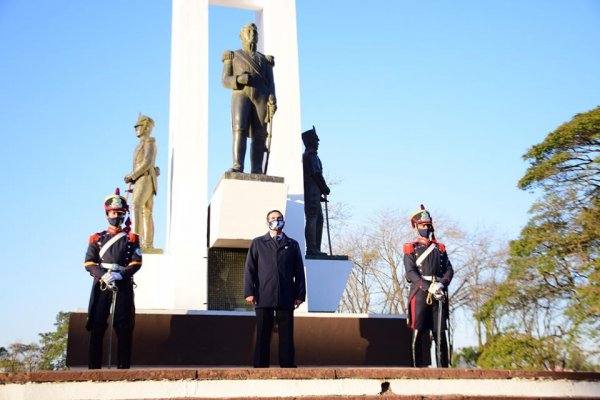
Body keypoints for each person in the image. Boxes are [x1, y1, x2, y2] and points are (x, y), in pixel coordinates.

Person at [83, 189, 142, 369]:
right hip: (102, 283)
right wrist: (103, 275)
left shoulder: (132, 238)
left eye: (119, 213)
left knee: (123, 325)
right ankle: (94, 368)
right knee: (97, 324)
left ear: (124, 215)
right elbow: (89, 262)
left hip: (122, 283)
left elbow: (136, 262)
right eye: (113, 212)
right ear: (107, 214)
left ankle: (123, 367)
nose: (116, 216)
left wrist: (120, 274)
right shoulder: (97, 238)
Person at [243, 210, 306, 368]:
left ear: (283, 221)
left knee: (286, 334)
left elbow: (299, 271)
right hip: (263, 295)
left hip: (286, 295)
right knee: (263, 333)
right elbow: (249, 268)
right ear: (267, 222)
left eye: (279, 218)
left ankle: (287, 364)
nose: (276, 221)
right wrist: (249, 292)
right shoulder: (257, 243)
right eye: (272, 219)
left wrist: (299, 295)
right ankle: (260, 365)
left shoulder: (292, 244)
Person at [221, 22, 277, 174]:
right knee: (239, 129)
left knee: (260, 135)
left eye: (255, 32)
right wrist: (238, 80)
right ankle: (238, 165)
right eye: (249, 31)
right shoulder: (233, 56)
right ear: (241, 36)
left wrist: (273, 98)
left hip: (261, 97)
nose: (253, 34)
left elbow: (271, 83)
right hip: (241, 95)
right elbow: (225, 80)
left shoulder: (265, 60)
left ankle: (257, 169)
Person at [403, 205, 453, 368]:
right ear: (416, 227)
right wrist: (428, 286)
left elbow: (449, 270)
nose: (425, 228)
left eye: (427, 225)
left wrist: (441, 284)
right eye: (422, 225)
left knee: (440, 334)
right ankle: (416, 370)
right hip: (420, 293)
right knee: (418, 333)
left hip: (439, 292)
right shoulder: (411, 249)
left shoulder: (440, 248)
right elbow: (411, 272)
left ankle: (444, 371)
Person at [124, 114, 158, 251]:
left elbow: (147, 161)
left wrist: (133, 175)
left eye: (139, 126)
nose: (137, 128)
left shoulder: (149, 142)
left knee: (136, 206)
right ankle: (146, 244)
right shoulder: (141, 144)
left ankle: (137, 242)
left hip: (145, 178)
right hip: (141, 179)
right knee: (146, 211)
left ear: (146, 127)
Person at [302, 127, 330, 257]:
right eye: (315, 140)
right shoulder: (310, 156)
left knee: (319, 219)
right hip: (311, 193)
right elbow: (316, 174)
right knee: (313, 219)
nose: (318, 142)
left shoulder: (310, 155)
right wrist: (324, 188)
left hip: (314, 194)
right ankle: (312, 249)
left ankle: (316, 248)